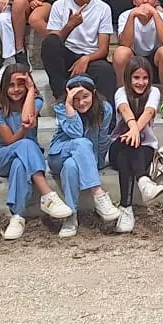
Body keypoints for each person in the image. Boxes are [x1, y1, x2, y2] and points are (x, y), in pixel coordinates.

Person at [0, 65, 73, 239]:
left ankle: (17, 217)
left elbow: (27, 116)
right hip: (1, 156)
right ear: (4, 87)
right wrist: (24, 130)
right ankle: (47, 195)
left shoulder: (37, 102)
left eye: (21, 84)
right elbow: (10, 140)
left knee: (20, 165)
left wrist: (32, 89)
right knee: (26, 144)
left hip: (25, 158)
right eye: (11, 85)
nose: (16, 89)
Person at [45, 78, 125, 239]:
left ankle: (70, 217)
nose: (81, 103)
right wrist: (68, 105)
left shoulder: (105, 109)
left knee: (71, 166)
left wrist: (97, 162)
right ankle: (98, 194)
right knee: (81, 143)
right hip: (59, 155)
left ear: (94, 93)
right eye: (76, 99)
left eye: (85, 96)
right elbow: (75, 133)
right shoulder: (62, 108)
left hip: (83, 158)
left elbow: (103, 140)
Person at [34, 0, 117, 100]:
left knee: (106, 70)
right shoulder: (59, 5)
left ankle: (106, 114)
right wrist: (70, 25)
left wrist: (86, 58)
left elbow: (103, 49)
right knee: (49, 43)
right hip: (67, 56)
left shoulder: (103, 8)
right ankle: (61, 96)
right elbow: (54, 41)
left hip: (91, 58)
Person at [106, 62, 163, 231]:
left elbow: (149, 112)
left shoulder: (154, 91)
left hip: (144, 148)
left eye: (145, 77)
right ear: (128, 78)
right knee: (128, 143)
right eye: (136, 78)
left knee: (132, 146)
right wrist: (133, 129)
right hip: (117, 147)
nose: (141, 82)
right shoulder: (121, 92)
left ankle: (126, 209)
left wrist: (134, 131)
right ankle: (144, 181)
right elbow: (124, 109)